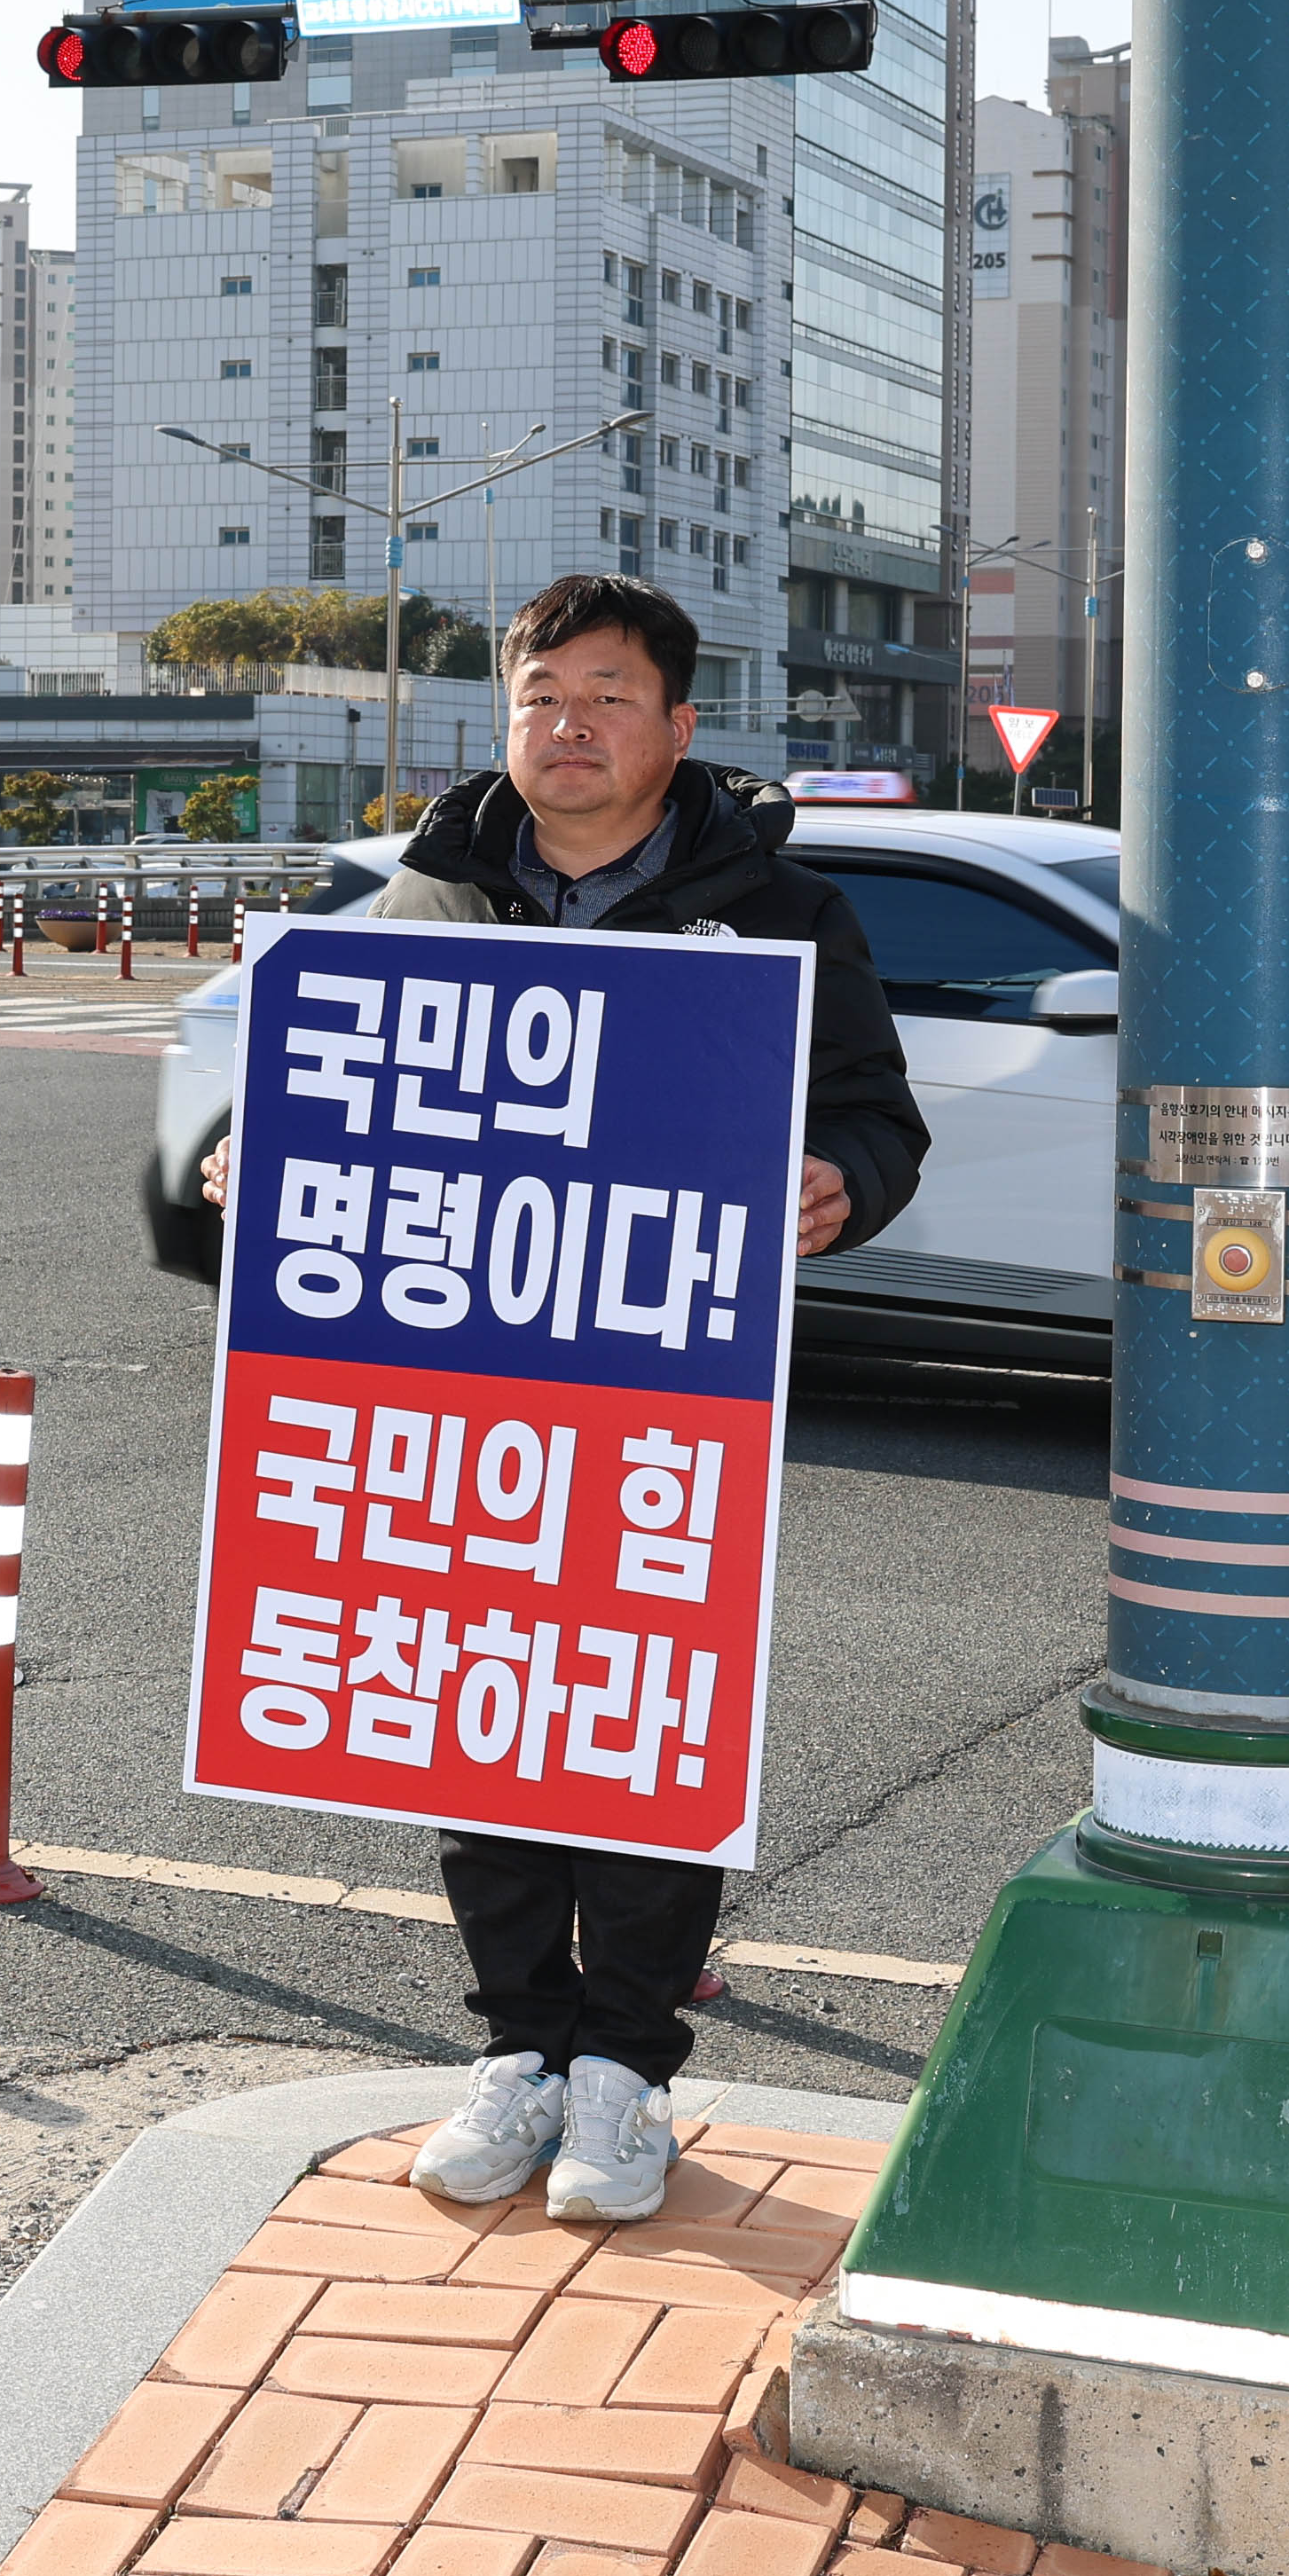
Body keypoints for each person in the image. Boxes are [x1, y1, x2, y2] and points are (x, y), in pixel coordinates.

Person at [205, 571, 924, 2221]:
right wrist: (262, 1158)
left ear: (679, 725)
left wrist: (841, 1180)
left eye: (608, 697)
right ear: (504, 720)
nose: (570, 727)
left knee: (645, 1711)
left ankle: (625, 2074)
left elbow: (883, 1119)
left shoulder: (780, 914)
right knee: (479, 1712)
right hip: (462, 1390)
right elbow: (313, 1095)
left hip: (672, 1396)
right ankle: (520, 2050)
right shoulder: (426, 898)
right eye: (542, 698)